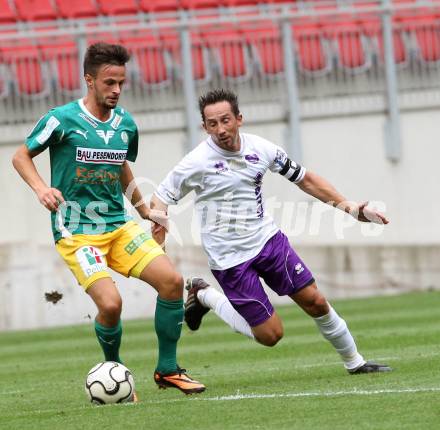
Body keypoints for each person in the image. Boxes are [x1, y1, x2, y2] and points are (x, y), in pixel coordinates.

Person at [150, 88, 392, 375]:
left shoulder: (262, 149)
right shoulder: (196, 162)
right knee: (271, 335)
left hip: (268, 242)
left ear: (239, 119)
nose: (220, 129)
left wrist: (348, 208)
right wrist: (158, 246)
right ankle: (205, 295)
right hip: (229, 259)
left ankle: (356, 362)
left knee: (315, 301)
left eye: (226, 120)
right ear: (204, 127)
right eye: (212, 124)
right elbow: (160, 198)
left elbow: (305, 179)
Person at [12, 42, 205, 396]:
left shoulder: (125, 123)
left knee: (172, 282)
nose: (116, 90)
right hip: (76, 232)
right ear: (89, 80)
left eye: (121, 83)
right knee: (112, 305)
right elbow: (21, 156)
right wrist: (42, 188)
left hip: (118, 225)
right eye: (109, 82)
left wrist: (145, 210)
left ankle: (168, 370)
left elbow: (120, 166)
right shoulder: (61, 119)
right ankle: (115, 369)